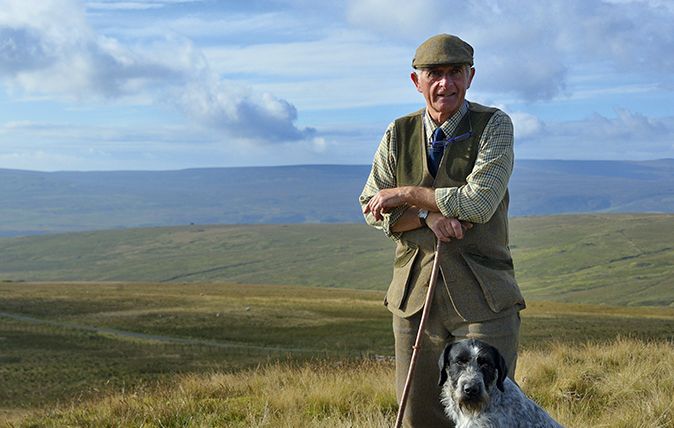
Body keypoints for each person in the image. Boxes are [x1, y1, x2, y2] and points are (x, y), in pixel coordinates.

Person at [359, 34, 526, 427]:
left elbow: (478, 204)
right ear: (416, 81)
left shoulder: (494, 125)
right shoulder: (396, 134)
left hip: (484, 298)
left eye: (455, 72)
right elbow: (370, 207)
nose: (445, 83)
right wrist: (426, 218)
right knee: (419, 416)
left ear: (471, 77)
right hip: (413, 299)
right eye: (434, 73)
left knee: (491, 416)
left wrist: (406, 194)